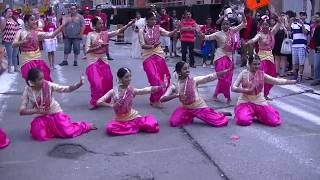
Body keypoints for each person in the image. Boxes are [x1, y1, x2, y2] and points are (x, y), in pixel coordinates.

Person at [19, 68, 96, 141]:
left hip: (55, 113)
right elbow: (22, 111)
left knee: (68, 132)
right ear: (32, 82)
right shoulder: (27, 90)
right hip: (41, 116)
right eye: (40, 79)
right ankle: (55, 130)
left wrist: (78, 85)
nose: (43, 80)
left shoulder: (48, 85)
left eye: (43, 78)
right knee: (39, 135)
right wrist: (36, 110)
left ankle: (85, 126)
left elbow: (66, 89)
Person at [231, 55, 296, 127]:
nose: (257, 66)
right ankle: (249, 113)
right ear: (249, 64)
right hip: (245, 101)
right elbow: (233, 88)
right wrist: (246, 90)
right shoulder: (243, 73)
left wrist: (292, 81)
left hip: (259, 101)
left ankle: (255, 114)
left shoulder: (261, 74)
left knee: (274, 121)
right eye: (254, 64)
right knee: (243, 121)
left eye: (259, 64)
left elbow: (276, 81)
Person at [160, 61, 230, 127]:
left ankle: (218, 114)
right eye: (185, 69)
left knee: (220, 122)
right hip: (186, 108)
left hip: (199, 107)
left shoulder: (194, 80)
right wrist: (176, 95)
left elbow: (209, 77)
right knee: (174, 122)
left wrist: (224, 72)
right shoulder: (174, 85)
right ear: (179, 72)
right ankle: (191, 116)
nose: (188, 70)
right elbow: (162, 99)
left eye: (188, 68)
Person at [85, 17, 134, 109]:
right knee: (97, 82)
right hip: (93, 60)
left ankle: (104, 99)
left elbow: (119, 31)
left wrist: (129, 25)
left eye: (102, 23)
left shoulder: (106, 34)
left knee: (108, 80)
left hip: (103, 59)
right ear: (94, 25)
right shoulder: (90, 35)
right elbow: (87, 50)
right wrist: (99, 47)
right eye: (99, 23)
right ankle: (95, 101)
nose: (101, 25)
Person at [97, 67, 162, 136]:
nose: (129, 79)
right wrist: (111, 105)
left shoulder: (131, 89)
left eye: (130, 76)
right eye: (126, 77)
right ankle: (134, 127)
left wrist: (160, 87)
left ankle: (131, 127)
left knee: (152, 125)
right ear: (120, 79)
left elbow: (144, 90)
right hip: (120, 120)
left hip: (132, 116)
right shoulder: (114, 91)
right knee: (110, 129)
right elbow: (99, 102)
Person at [201, 13, 247, 104]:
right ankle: (227, 96)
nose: (225, 25)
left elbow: (243, 24)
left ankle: (216, 94)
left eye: (227, 24)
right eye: (223, 24)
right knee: (222, 78)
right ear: (221, 25)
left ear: (229, 25)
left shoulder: (232, 31)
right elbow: (207, 37)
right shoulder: (218, 34)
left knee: (228, 79)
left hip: (229, 57)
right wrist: (199, 32)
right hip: (220, 56)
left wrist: (242, 14)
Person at [138, 11, 177, 108]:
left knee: (165, 77)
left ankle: (154, 99)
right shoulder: (142, 31)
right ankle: (156, 100)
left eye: (155, 19)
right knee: (155, 79)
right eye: (152, 19)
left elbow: (168, 34)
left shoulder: (158, 28)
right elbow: (142, 45)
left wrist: (177, 29)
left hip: (159, 55)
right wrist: (151, 46)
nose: (154, 21)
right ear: (147, 20)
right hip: (148, 56)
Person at [12, 14, 66, 81]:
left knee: (44, 81)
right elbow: (13, 44)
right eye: (32, 20)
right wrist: (23, 41)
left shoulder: (37, 33)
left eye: (34, 20)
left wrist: (62, 25)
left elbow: (52, 35)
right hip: (27, 61)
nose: (34, 21)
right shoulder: (20, 32)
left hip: (38, 60)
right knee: (33, 83)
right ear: (26, 22)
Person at [246, 15, 281, 100]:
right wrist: (250, 41)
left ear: (269, 26)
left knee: (272, 76)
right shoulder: (259, 34)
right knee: (261, 76)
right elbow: (254, 39)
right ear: (261, 26)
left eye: (267, 25)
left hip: (270, 57)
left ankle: (265, 94)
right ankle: (257, 93)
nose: (265, 26)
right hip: (262, 57)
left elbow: (279, 23)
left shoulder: (271, 33)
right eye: (263, 25)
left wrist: (276, 16)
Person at [290, 12, 310, 82]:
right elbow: (289, 30)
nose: (302, 16)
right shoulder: (294, 24)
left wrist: (302, 25)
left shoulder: (307, 24)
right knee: (295, 61)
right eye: (301, 15)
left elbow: (305, 32)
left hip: (302, 45)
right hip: (294, 44)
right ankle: (295, 75)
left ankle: (300, 75)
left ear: (306, 17)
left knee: (301, 61)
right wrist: (290, 21)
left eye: (303, 15)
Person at [0, 8, 20, 73]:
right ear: (5, 13)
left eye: (11, 11)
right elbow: (2, 28)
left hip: (15, 40)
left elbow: (17, 29)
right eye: (8, 11)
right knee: (9, 55)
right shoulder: (4, 20)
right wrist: (6, 18)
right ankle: (9, 69)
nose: (10, 12)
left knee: (15, 55)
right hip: (8, 40)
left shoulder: (14, 19)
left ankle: (16, 68)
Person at [273, 13, 289, 77]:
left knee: (283, 59)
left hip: (284, 44)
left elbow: (287, 34)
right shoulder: (277, 25)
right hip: (276, 43)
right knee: (276, 58)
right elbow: (273, 32)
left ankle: (282, 72)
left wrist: (284, 24)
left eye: (283, 16)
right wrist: (278, 23)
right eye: (281, 16)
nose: (282, 17)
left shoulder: (286, 25)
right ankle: (276, 72)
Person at [311, 13, 320, 86]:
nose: (316, 18)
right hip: (317, 48)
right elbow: (314, 38)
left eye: (317, 17)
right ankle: (317, 79)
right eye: (315, 17)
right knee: (316, 64)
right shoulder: (316, 27)